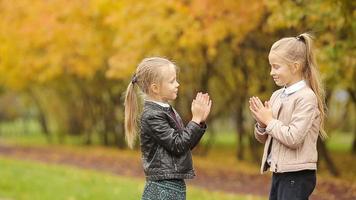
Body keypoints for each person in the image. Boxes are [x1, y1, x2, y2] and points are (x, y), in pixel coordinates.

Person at [249, 33, 326, 200]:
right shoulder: (277, 95)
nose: (271, 72)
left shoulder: (306, 97)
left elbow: (293, 138)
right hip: (280, 171)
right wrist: (262, 124)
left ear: (294, 66)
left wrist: (269, 120)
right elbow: (266, 138)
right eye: (270, 67)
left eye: (276, 67)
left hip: (297, 175)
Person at [124, 57, 212, 200]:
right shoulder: (152, 116)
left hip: (172, 185)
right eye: (172, 81)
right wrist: (194, 121)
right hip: (162, 188)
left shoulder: (167, 110)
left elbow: (185, 145)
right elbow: (177, 144)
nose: (177, 84)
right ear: (155, 88)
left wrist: (199, 122)